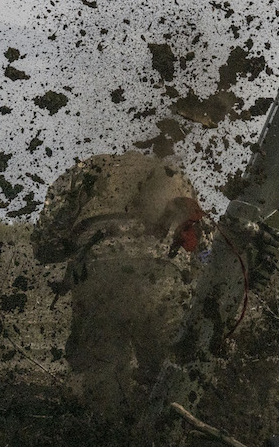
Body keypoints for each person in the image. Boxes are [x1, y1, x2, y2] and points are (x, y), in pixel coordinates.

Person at [30, 151, 208, 424]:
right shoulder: (173, 175)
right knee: (173, 370)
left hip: (99, 274)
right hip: (163, 278)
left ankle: (108, 431)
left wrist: (75, 245)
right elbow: (202, 248)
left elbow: (45, 242)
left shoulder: (85, 171)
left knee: (101, 372)